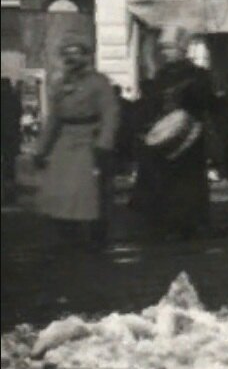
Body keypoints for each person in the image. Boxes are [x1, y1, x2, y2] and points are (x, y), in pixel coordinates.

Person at [32, 38, 121, 251]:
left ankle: (96, 236)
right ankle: (68, 234)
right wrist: (41, 149)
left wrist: (104, 143)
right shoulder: (60, 84)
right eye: (67, 53)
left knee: (88, 193)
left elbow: (110, 113)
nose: (72, 58)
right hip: (64, 142)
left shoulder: (99, 83)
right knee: (60, 191)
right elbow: (53, 118)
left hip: (89, 140)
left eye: (76, 53)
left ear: (86, 56)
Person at [135, 27, 214, 240]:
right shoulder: (162, 74)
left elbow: (206, 104)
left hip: (189, 137)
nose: (165, 52)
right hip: (166, 137)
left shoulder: (198, 75)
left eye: (169, 47)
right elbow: (151, 103)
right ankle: (167, 223)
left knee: (187, 182)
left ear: (182, 49)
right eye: (163, 48)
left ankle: (189, 223)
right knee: (165, 182)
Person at [1, 77, 22, 203]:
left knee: (7, 164)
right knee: (10, 165)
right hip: (11, 136)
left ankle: (7, 190)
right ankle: (9, 193)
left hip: (5, 135)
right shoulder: (14, 99)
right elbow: (18, 114)